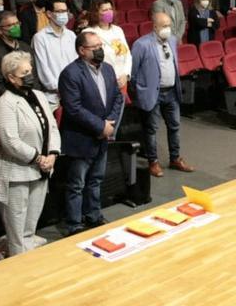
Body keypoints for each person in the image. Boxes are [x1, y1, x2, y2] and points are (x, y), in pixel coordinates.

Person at [0, 51, 59, 254]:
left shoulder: (38, 95)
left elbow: (52, 126)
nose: (30, 76)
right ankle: (17, 263)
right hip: (15, 171)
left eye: (30, 71)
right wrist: (39, 158)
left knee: (30, 226)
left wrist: (52, 155)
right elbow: (10, 141)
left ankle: (30, 264)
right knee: (17, 231)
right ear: (11, 77)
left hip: (42, 167)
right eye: (24, 73)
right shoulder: (5, 103)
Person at [57, 32, 122, 234]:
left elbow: (118, 98)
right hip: (81, 138)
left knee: (96, 180)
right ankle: (74, 224)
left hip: (103, 135)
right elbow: (73, 108)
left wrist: (109, 123)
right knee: (77, 184)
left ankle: (94, 216)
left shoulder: (109, 70)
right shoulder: (71, 73)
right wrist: (100, 126)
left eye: (100, 45)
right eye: (94, 47)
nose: (99, 50)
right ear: (81, 50)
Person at [130, 12, 195, 178]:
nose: (167, 29)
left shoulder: (172, 40)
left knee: (174, 126)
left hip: (171, 91)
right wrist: (139, 91)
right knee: (151, 129)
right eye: (164, 26)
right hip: (153, 93)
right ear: (155, 26)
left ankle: (175, 158)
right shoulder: (141, 44)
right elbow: (133, 72)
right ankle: (153, 162)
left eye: (169, 25)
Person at [0, 10, 32, 113]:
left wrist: (33, 97)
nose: (16, 27)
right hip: (8, 107)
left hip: (29, 100)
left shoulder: (26, 47)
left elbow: (34, 75)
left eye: (17, 23)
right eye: (10, 25)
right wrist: (19, 102)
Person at [32, 0, 78, 110]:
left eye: (65, 11)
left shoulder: (71, 35)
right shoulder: (40, 38)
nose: (64, 14)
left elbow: (77, 63)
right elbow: (43, 69)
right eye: (59, 11)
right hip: (53, 97)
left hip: (75, 92)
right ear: (49, 14)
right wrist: (61, 88)